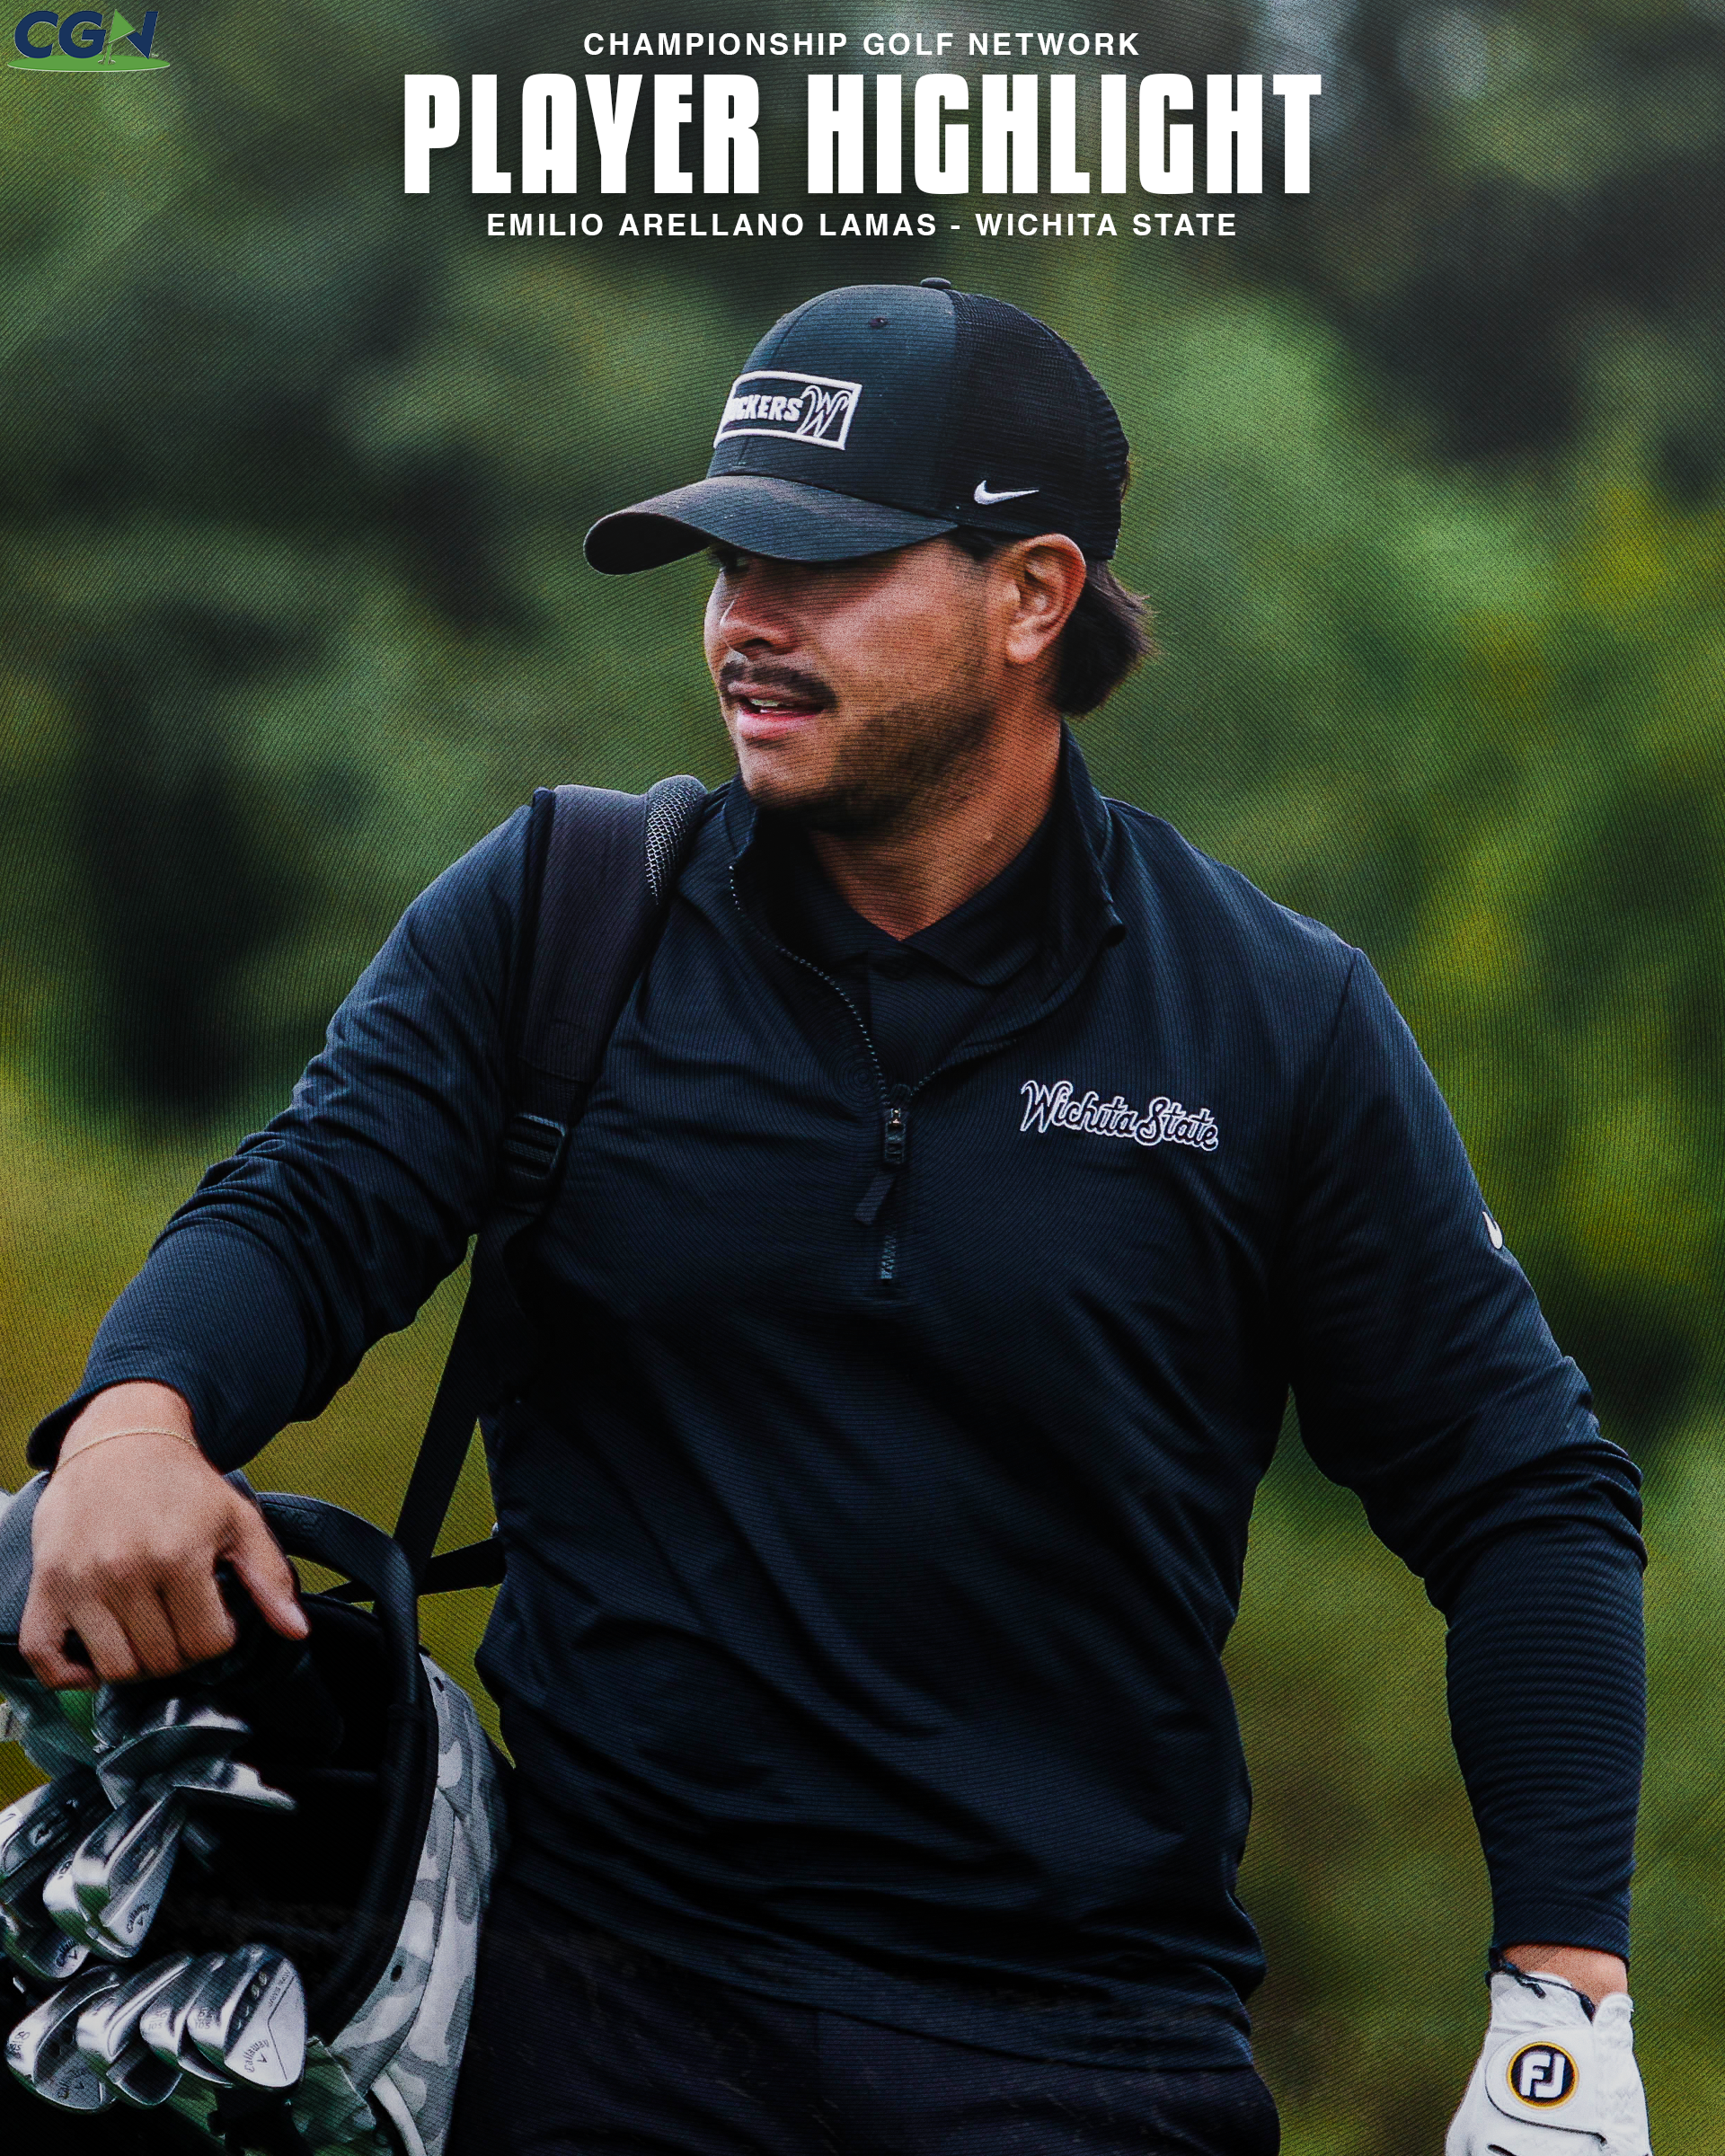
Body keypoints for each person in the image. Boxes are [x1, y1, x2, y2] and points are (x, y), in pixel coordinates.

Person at [17, 281, 1649, 2155]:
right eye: (724, 563)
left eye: (824, 568)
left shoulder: (1273, 1023)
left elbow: (1521, 1490)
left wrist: (1563, 2005)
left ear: (1033, 597)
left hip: (1082, 2064)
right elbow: (311, 1205)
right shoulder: (556, 918)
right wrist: (140, 1416)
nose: (743, 625)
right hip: (593, 2023)